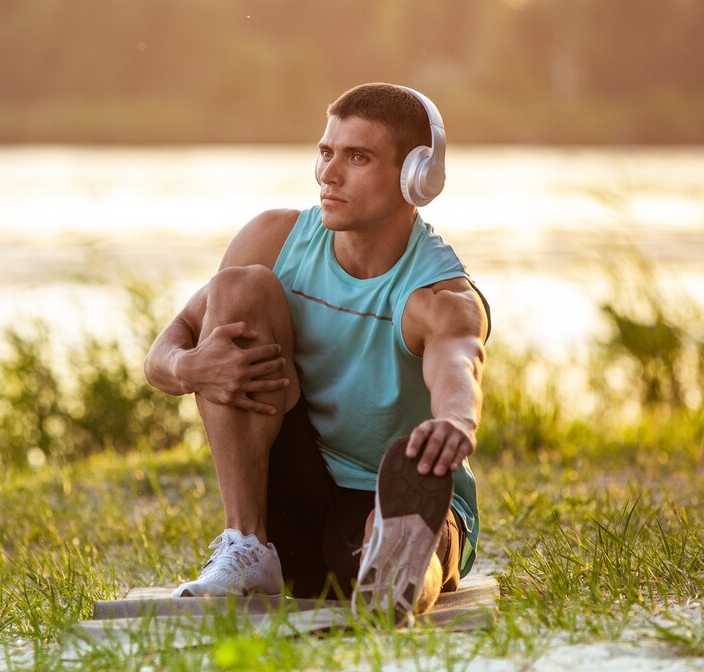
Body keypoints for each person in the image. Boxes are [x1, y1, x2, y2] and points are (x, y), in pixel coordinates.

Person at [143, 83, 489, 626]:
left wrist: (454, 422)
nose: (329, 173)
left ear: (415, 176)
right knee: (238, 289)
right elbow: (170, 345)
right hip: (296, 496)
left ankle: (399, 568)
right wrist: (190, 366)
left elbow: (457, 361)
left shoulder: (437, 295)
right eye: (326, 152)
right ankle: (248, 545)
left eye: (358, 157)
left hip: (388, 489)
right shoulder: (276, 240)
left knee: (403, 534)